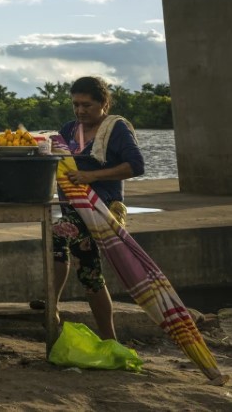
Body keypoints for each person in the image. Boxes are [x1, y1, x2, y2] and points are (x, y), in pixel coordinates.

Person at [50, 76, 145, 341]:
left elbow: (136, 166)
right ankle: (109, 339)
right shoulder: (69, 129)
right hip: (73, 209)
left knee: (59, 234)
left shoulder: (116, 129)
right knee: (89, 273)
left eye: (87, 105)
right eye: (75, 105)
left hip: (102, 210)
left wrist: (92, 177)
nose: (80, 111)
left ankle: (53, 305)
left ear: (104, 103)